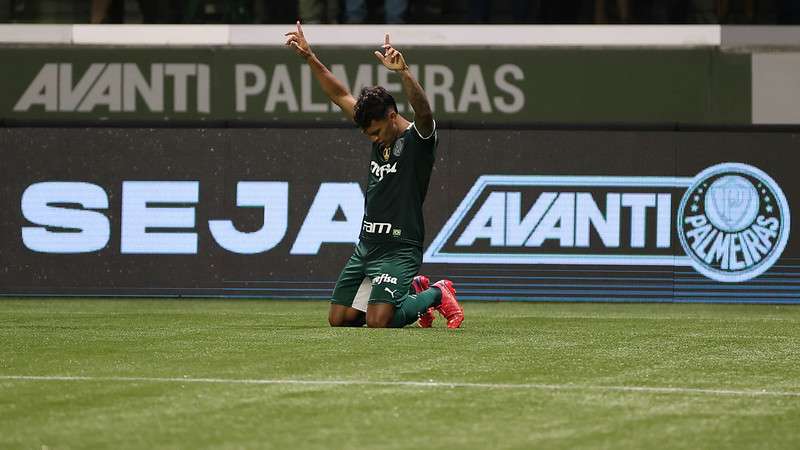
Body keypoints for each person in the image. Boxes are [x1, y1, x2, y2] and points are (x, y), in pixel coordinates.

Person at [284, 22, 464, 329]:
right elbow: (340, 94)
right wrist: (310, 57)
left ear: (392, 116)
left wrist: (404, 73)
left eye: (377, 131)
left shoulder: (417, 141)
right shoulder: (378, 132)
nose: (373, 139)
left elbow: (424, 113)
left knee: (380, 321)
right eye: (367, 134)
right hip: (367, 245)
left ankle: (436, 292)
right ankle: (411, 288)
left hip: (400, 247)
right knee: (340, 319)